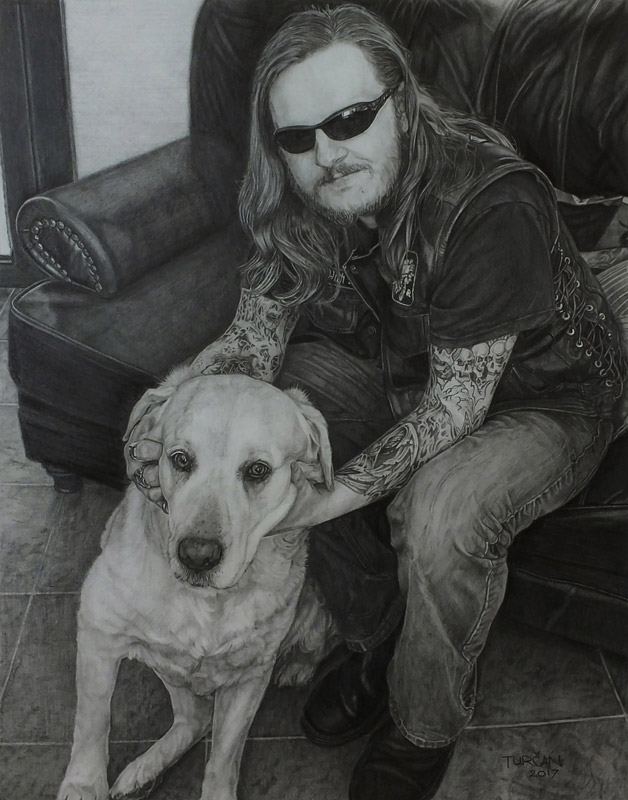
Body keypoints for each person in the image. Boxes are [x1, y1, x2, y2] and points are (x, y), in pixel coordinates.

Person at [126, 6, 626, 799]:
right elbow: (253, 342)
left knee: (438, 512)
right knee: (289, 423)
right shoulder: (297, 192)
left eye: (351, 119)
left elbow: (456, 408)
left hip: (548, 397)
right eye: (298, 137)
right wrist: (171, 406)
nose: (327, 154)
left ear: (403, 102)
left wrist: (314, 503)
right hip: (411, 368)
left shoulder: (487, 199)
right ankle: (377, 635)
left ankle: (423, 723)